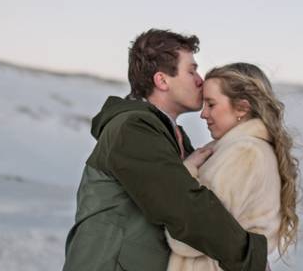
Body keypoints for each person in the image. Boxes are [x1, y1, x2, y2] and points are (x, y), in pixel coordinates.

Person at [63, 30, 268, 271]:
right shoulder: (132, 130)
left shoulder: (169, 135)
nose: (200, 80)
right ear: (162, 81)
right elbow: (184, 206)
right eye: (191, 71)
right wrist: (250, 256)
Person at [165, 63, 299, 271]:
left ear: (242, 108)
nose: (203, 114)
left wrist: (185, 172)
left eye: (211, 104)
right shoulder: (247, 149)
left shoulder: (243, 153)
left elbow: (189, 238)